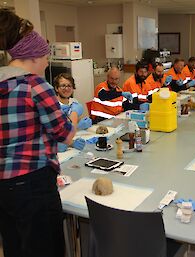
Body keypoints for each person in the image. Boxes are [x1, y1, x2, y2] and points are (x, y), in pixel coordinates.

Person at [0, 9, 76, 257]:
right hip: (33, 183)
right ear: (32, 55)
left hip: (5, 186)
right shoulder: (35, 84)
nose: (46, 62)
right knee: (46, 248)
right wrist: (73, 117)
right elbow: (65, 134)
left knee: (16, 247)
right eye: (45, 56)